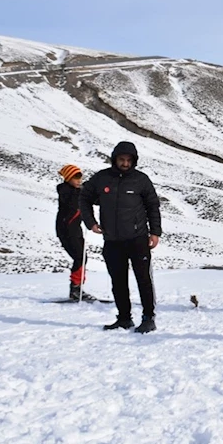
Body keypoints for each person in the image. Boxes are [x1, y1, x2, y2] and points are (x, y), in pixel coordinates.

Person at [79, 141, 162, 333]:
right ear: (114, 159)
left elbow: (152, 206)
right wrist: (90, 222)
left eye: (128, 160)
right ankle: (124, 318)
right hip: (112, 240)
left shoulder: (141, 180)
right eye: (121, 159)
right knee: (118, 281)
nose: (125, 163)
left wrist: (155, 232)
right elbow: (84, 198)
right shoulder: (102, 178)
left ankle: (149, 318)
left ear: (134, 161)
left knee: (144, 280)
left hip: (138, 238)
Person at [56, 164, 96, 301]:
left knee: (82, 257)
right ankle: (75, 289)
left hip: (75, 229)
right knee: (79, 257)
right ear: (68, 178)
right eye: (76, 177)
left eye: (80, 176)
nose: (79, 180)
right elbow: (72, 202)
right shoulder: (64, 190)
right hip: (66, 230)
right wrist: (83, 190)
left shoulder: (76, 190)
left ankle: (77, 288)